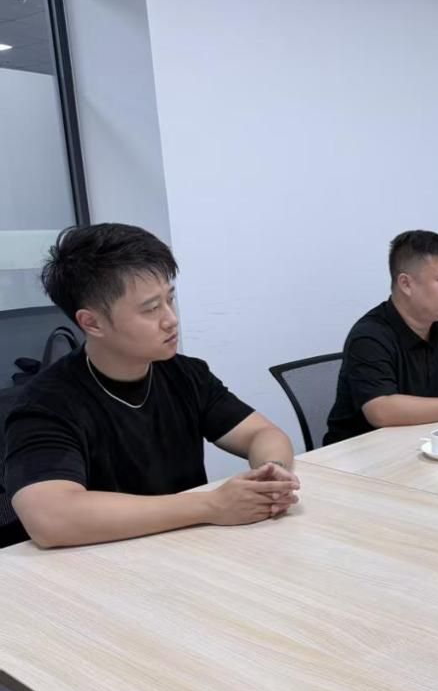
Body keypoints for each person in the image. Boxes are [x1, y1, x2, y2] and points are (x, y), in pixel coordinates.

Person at [2, 223, 299, 549]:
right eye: (152, 308)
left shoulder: (184, 374)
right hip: (98, 563)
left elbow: (262, 434)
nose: (171, 319)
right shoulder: (46, 403)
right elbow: (50, 517)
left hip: (185, 547)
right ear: (92, 323)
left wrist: (273, 472)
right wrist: (210, 505)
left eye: (170, 300)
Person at [324, 230, 438, 444]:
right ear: (406, 284)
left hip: (426, 442)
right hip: (363, 453)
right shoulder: (369, 336)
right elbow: (381, 410)